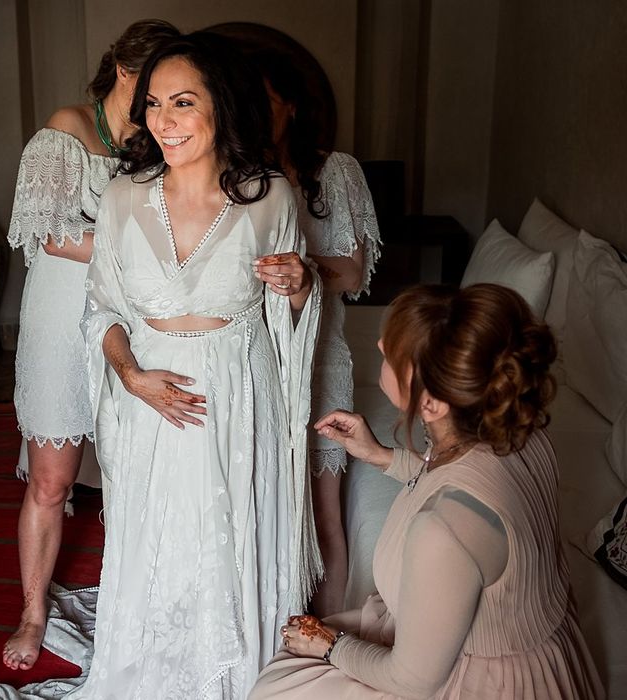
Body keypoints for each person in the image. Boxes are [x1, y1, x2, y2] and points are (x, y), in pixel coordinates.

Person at [75, 31, 323, 698]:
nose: (163, 122)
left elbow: (293, 311)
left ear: (222, 105)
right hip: (152, 399)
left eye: (183, 103)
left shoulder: (269, 197)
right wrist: (131, 377)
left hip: (239, 398)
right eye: (154, 104)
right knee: (164, 541)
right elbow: (101, 310)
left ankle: (235, 669)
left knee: (229, 539)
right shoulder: (124, 197)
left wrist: (299, 284)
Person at [250, 283, 605, 699]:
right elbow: (461, 481)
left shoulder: (441, 531)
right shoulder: (521, 433)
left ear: (433, 404)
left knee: (281, 687)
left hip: (481, 682)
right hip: (541, 652)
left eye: (389, 355)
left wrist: (329, 645)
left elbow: (412, 680)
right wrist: (382, 456)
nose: (381, 343)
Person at [3, 18, 179, 672]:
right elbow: (49, 233)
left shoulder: (162, 143)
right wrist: (142, 255)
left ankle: (135, 595)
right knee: (52, 479)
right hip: (60, 317)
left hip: (132, 322)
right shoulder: (66, 129)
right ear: (125, 74)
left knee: (138, 472)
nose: (165, 105)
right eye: (156, 89)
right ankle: (31, 610)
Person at [254, 49, 381, 617]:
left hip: (322, 352)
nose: (256, 116)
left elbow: (353, 272)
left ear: (292, 107)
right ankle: (271, 626)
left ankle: (326, 637)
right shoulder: (238, 178)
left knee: (323, 507)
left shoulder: (338, 171)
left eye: (267, 103)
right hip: (259, 352)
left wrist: (301, 268)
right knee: (265, 501)